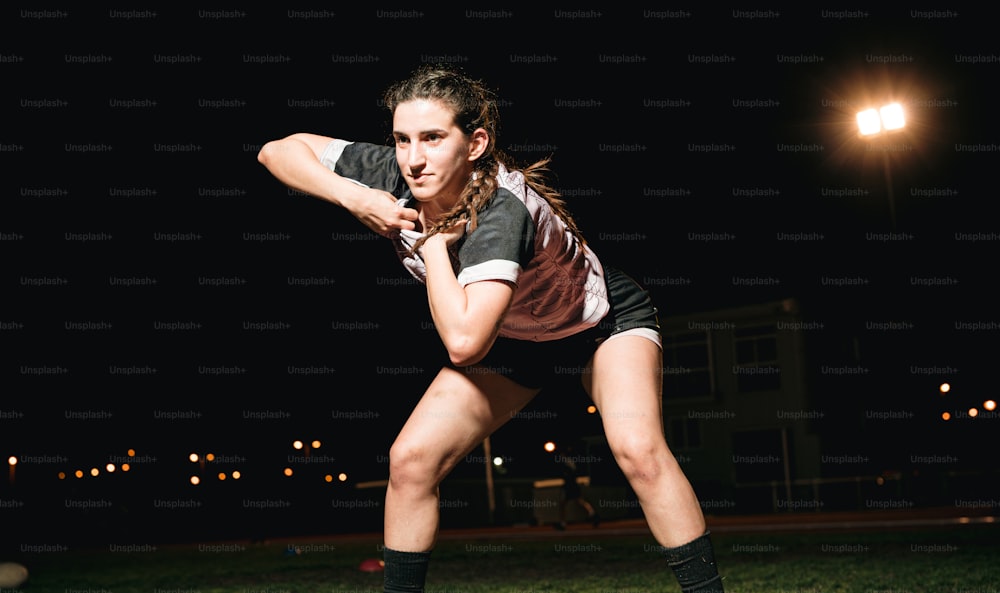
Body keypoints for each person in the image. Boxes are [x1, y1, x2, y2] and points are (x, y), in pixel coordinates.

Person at [258, 64, 725, 593]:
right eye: (401, 139)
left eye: (433, 139)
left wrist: (434, 246)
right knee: (411, 461)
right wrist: (352, 195)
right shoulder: (395, 172)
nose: (413, 159)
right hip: (516, 340)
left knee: (638, 451)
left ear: (475, 142)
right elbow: (278, 150)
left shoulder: (501, 213)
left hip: (597, 326)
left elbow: (463, 343)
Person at [554, 444, 599, 530]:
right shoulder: (568, 461)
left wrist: (567, 478)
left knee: (564, 503)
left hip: (569, 484)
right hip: (571, 484)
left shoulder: (567, 461)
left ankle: (563, 523)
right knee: (578, 500)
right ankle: (592, 513)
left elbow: (571, 472)